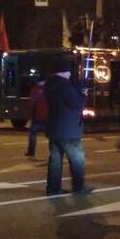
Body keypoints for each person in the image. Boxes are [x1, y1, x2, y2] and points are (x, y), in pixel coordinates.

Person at [45, 59, 89, 195]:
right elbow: (76, 104)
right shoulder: (66, 87)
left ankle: (53, 188)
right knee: (77, 160)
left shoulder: (49, 85)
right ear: (64, 72)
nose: (70, 74)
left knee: (55, 160)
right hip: (68, 130)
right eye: (68, 71)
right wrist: (83, 94)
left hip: (54, 127)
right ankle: (78, 187)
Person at [24, 77, 48, 157]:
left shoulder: (35, 89)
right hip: (48, 115)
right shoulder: (51, 88)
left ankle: (31, 150)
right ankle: (56, 151)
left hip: (37, 115)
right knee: (52, 134)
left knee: (33, 133)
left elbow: (31, 103)